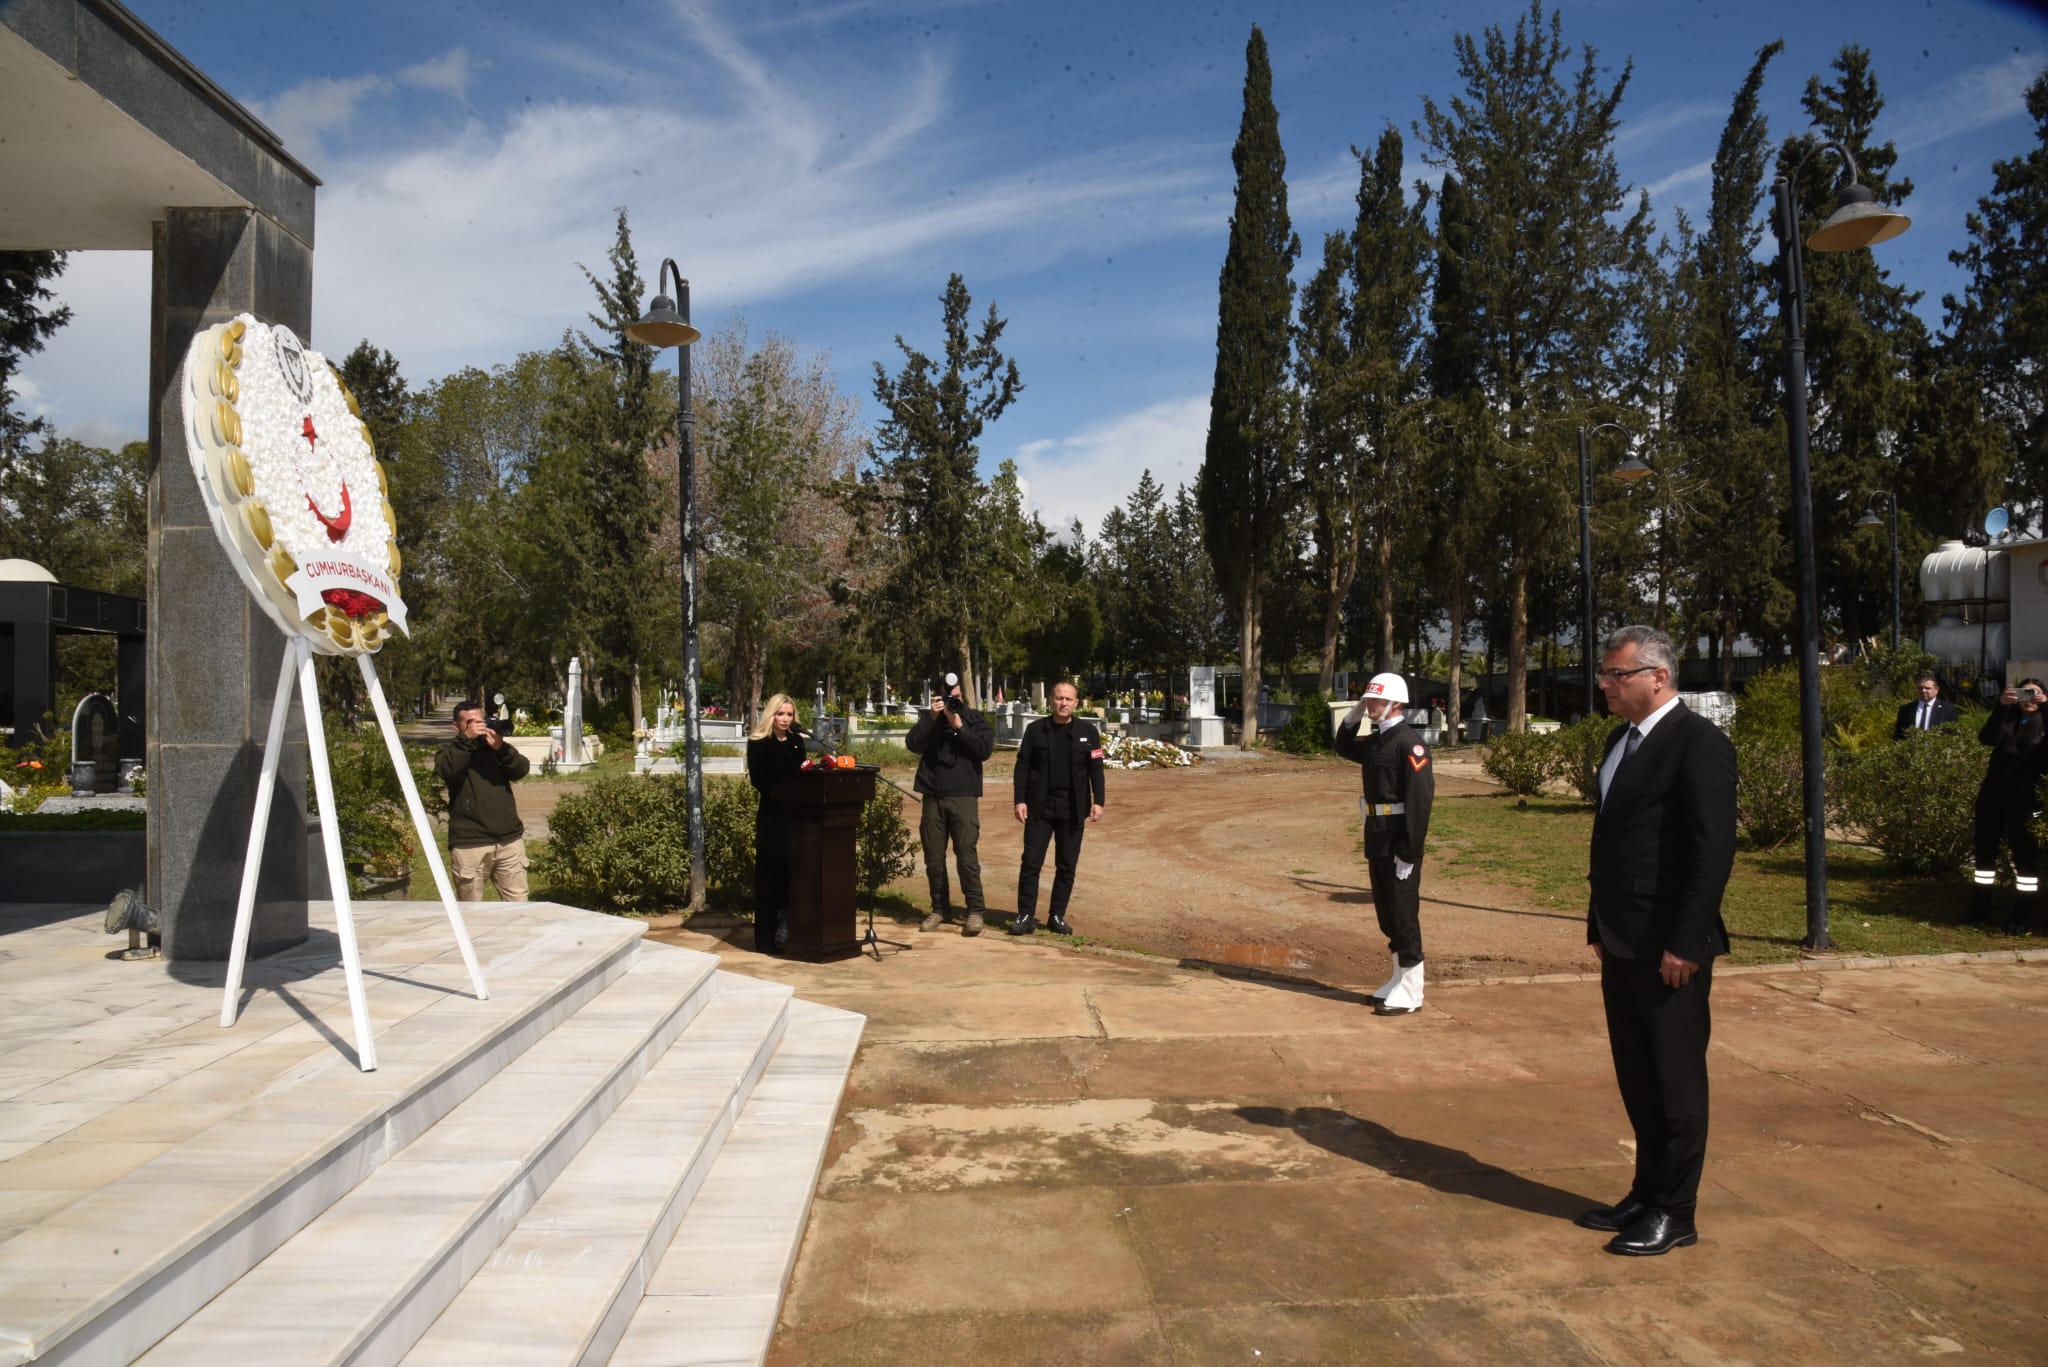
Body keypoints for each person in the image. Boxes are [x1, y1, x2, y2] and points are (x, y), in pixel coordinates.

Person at [1578, 625, 1736, 1257]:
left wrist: (1686, 942)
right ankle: (1645, 1193)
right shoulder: (1622, 741)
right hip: (1621, 940)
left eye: (1617, 675)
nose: (1605, 685)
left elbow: (1711, 853)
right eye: (1606, 674)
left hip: (1670, 947)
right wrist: (1598, 925)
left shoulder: (1699, 744)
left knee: (1675, 1084)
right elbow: (1613, 843)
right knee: (1638, 1077)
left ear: (1658, 677)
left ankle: (1677, 1210)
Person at [1333, 672, 1435, 1016]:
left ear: (1395, 703)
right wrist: (1356, 712)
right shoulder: (1377, 741)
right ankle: (1397, 979)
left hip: (1398, 840)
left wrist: (1409, 852)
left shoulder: (1410, 744)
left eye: (1375, 700)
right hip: (1376, 833)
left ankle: (1412, 990)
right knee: (1387, 914)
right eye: (1369, 700)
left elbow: (1419, 805)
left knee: (1404, 915)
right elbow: (1343, 746)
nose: (1370, 705)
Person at [1010, 681, 1105, 936]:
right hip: (1039, 807)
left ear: (1076, 703)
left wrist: (1099, 801)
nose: (1063, 703)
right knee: (1031, 862)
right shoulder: (1035, 731)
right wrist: (1019, 799)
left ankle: (1056, 915)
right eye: (1059, 698)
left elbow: (1096, 768)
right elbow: (1022, 767)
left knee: (1066, 865)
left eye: (1068, 699)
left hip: (1073, 808)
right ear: (1051, 701)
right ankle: (1026, 914)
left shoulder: (1088, 732)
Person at [906, 672, 995, 937]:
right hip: (932, 794)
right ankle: (939, 908)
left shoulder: (975, 719)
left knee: (966, 855)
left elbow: (983, 750)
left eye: (955, 698)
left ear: (962, 696)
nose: (951, 702)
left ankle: (975, 911)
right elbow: (912, 744)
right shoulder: (930, 719)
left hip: (963, 795)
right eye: (947, 698)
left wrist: (958, 725)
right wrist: (932, 718)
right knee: (933, 857)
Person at [1970, 677, 2047, 930]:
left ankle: (2022, 917)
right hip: (1993, 797)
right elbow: (1988, 738)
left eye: (2034, 694)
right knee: (1984, 858)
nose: (2028, 699)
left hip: (2026, 801)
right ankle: (1980, 909)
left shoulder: (2043, 721)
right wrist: (2002, 705)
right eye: (2024, 693)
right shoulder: (2009, 718)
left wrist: (2045, 706)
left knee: (2025, 860)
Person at [435, 699, 531, 901]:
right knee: (471, 912)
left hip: (509, 841)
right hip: (470, 844)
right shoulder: (450, 752)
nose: (479, 726)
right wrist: (466, 741)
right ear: (457, 726)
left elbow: (521, 770)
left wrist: (502, 748)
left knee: (520, 908)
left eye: (481, 721)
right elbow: (446, 770)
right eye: (471, 722)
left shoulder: (495, 750)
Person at [746, 693, 807, 954]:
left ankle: (788, 932)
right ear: (770, 715)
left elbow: (802, 774)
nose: (785, 719)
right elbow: (760, 780)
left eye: (789, 714)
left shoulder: (796, 741)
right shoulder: (759, 743)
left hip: (797, 819)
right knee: (770, 880)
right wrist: (786, 791)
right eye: (780, 714)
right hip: (773, 818)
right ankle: (765, 939)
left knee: (791, 878)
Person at [1893, 673, 1958, 740]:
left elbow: (1953, 734)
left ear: (1936, 690)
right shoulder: (1906, 710)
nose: (1923, 691)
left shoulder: (1948, 710)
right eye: (1920, 688)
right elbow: (1899, 736)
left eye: (1927, 688)